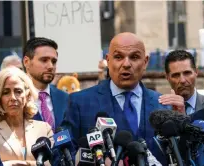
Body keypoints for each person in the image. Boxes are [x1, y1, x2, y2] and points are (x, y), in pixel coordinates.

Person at [63, 32, 184, 165]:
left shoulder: (164, 104)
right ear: (108, 60)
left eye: (134, 57)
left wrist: (183, 125)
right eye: (119, 57)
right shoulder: (80, 102)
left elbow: (183, 156)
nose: (126, 64)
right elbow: (62, 155)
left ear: (145, 62)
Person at [0, 67, 53, 166]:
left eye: (18, 91)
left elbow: (53, 163)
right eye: (6, 92)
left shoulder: (44, 129)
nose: (13, 98)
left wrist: (10, 164)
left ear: (28, 95)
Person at [22, 37, 69, 130]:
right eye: (44, 60)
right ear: (26, 62)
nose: (51, 66)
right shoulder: (11, 98)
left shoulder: (65, 98)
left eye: (54, 61)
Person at [162, 50, 204, 115]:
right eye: (176, 75)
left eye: (187, 73)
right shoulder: (160, 110)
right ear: (167, 77)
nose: (182, 80)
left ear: (196, 72)